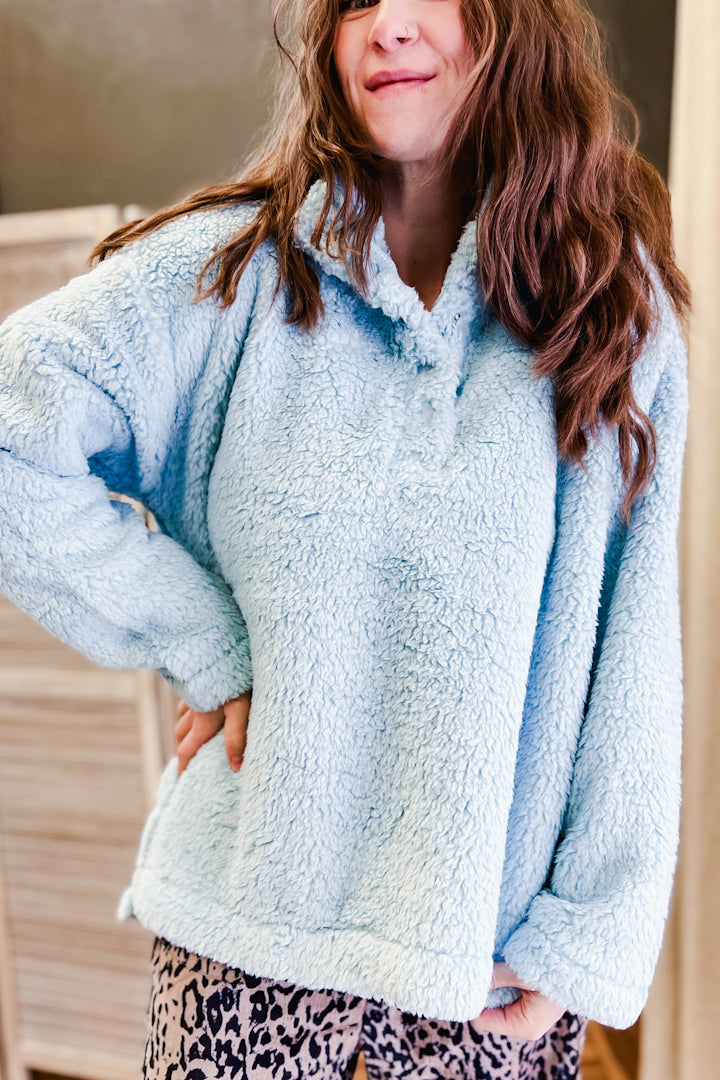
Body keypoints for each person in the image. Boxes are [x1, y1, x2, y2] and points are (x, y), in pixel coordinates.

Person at [0, 0, 690, 1076]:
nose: (389, 25)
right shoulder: (235, 273)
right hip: (243, 948)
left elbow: (632, 644)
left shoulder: (605, 304)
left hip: (484, 965)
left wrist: (590, 932)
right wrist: (207, 641)